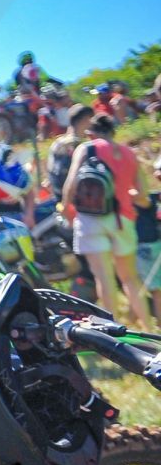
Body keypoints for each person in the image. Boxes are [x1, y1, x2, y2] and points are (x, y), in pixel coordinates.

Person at [63, 113, 156, 328]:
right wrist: (125, 196)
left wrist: (67, 211)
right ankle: (149, 329)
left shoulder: (86, 149)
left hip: (91, 220)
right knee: (130, 279)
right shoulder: (129, 153)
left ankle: (111, 330)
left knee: (104, 279)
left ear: (91, 133)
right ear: (113, 131)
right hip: (123, 220)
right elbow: (143, 196)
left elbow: (71, 185)